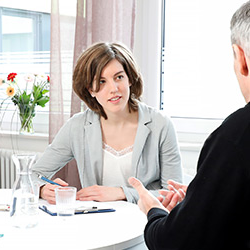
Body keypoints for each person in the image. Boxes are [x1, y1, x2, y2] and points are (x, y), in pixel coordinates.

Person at [129, 1, 250, 249]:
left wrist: (153, 210)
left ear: (241, 59)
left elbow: (175, 242)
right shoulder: (80, 125)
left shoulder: (237, 134)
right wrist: (201, 199)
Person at [32, 42, 183, 204]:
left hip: (148, 222)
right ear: (90, 89)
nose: (114, 89)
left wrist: (122, 193)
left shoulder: (161, 125)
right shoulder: (77, 126)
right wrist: (42, 189)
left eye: (119, 77)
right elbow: (33, 175)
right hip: (97, 222)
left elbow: (174, 194)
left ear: (130, 79)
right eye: (102, 81)